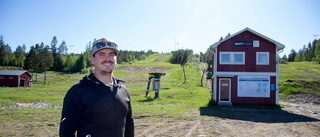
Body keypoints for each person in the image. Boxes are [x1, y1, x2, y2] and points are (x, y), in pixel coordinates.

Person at [59, 38, 134, 137]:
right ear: (92, 60)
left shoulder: (123, 91)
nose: (107, 58)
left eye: (111, 54)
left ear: (116, 59)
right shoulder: (78, 92)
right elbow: (66, 132)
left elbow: (129, 126)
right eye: (101, 54)